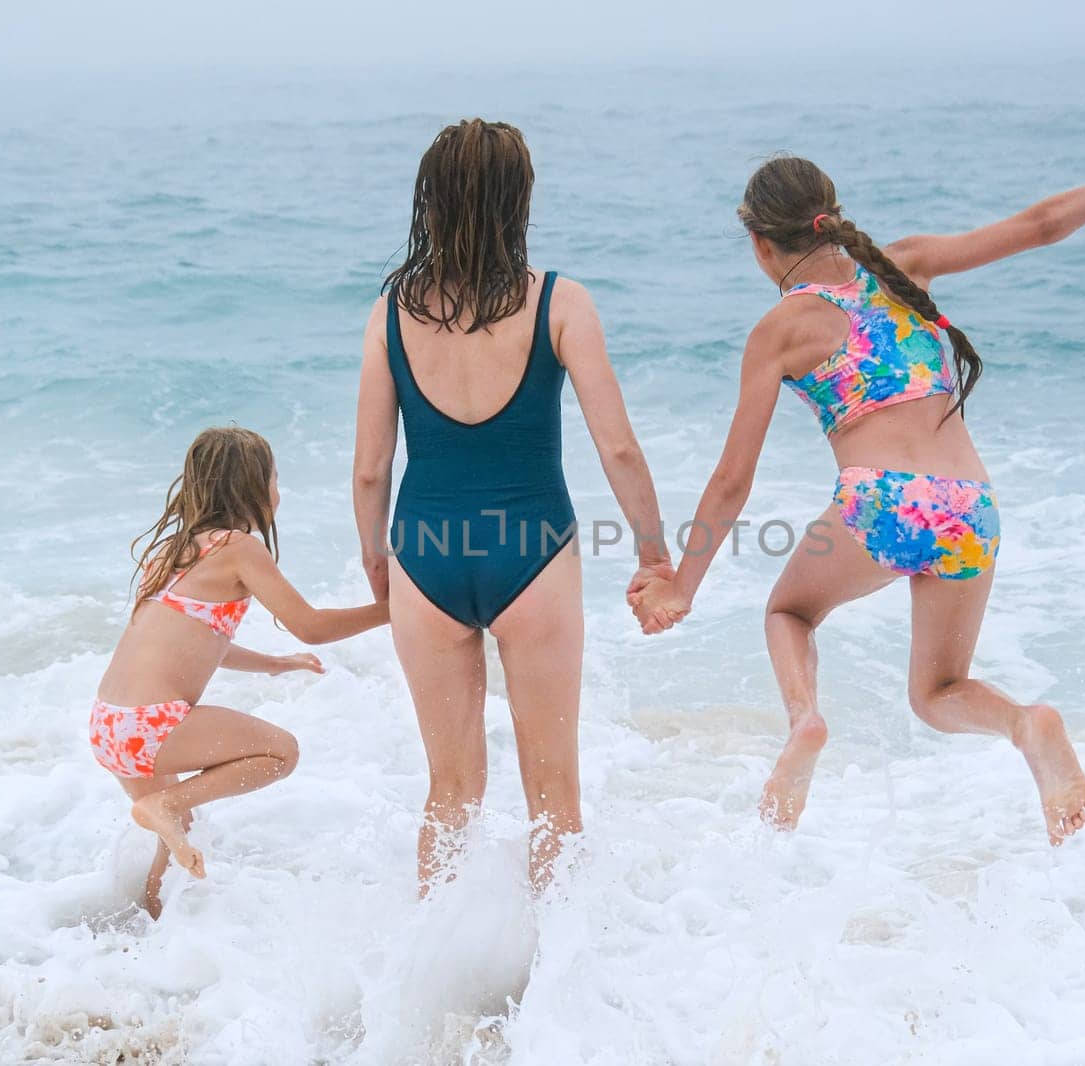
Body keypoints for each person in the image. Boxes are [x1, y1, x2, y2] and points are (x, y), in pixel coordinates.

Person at [629, 109, 1085, 845]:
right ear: (830, 220)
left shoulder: (780, 329)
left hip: (879, 504)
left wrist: (681, 588)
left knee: (788, 615)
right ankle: (1025, 723)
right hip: (971, 507)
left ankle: (805, 723)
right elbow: (1042, 224)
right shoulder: (905, 263)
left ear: (761, 244)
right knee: (940, 691)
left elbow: (732, 479)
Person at [353, 119, 673, 894]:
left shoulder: (391, 309)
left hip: (422, 554)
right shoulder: (561, 303)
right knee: (554, 797)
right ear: (517, 200)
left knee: (451, 791)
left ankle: (431, 972)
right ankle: (555, 987)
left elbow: (369, 471)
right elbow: (620, 448)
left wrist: (378, 564)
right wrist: (653, 554)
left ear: (431, 201)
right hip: (533, 555)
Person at [92, 426, 388, 916]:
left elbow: (196, 643)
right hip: (151, 724)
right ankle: (161, 809)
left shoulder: (171, 551)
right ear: (254, 485)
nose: (279, 488)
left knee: (178, 835)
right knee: (281, 752)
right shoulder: (240, 547)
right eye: (274, 476)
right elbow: (310, 626)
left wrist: (276, 665)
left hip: (109, 725)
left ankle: (150, 932)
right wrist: (397, 610)